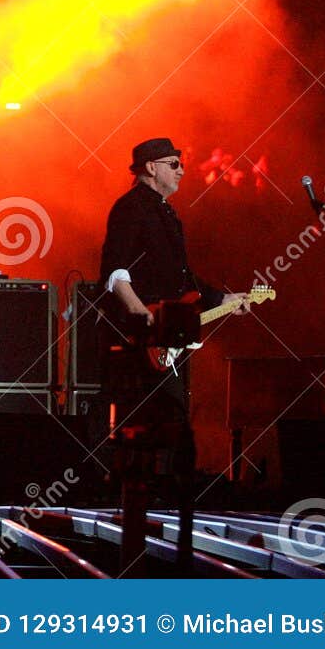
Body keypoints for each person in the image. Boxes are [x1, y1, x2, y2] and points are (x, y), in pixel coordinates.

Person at [99, 137, 248, 461]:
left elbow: (182, 277)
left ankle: (163, 493)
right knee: (147, 414)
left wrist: (223, 298)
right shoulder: (130, 207)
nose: (182, 171)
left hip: (171, 332)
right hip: (146, 334)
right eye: (174, 164)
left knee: (171, 417)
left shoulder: (165, 212)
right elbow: (115, 271)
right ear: (151, 168)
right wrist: (145, 317)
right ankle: (128, 494)